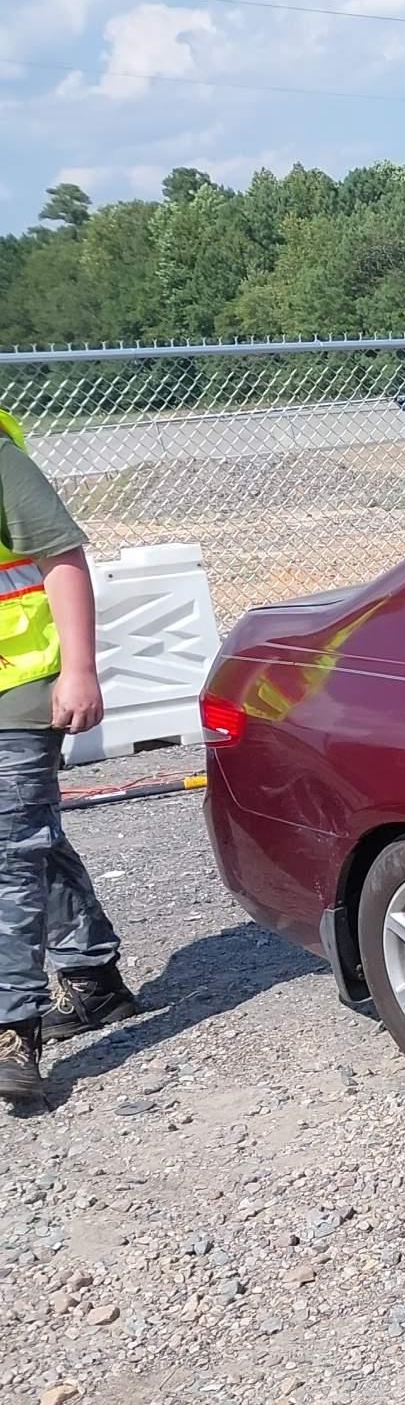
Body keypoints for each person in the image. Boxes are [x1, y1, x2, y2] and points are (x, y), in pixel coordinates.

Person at [0, 407, 134, 1106]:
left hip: (17, 691)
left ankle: (9, 1024)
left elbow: (62, 558)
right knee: (31, 846)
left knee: (9, 859)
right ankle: (94, 981)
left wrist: (80, 669)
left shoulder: (0, 459)